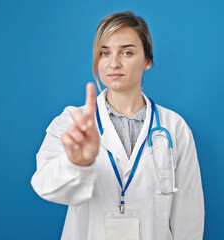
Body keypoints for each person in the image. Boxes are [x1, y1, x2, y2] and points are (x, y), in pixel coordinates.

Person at [31, 11, 204, 240]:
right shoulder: (73, 122)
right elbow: (46, 187)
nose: (114, 63)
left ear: (147, 60)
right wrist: (77, 162)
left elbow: (188, 214)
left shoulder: (174, 127)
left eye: (127, 52)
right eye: (105, 52)